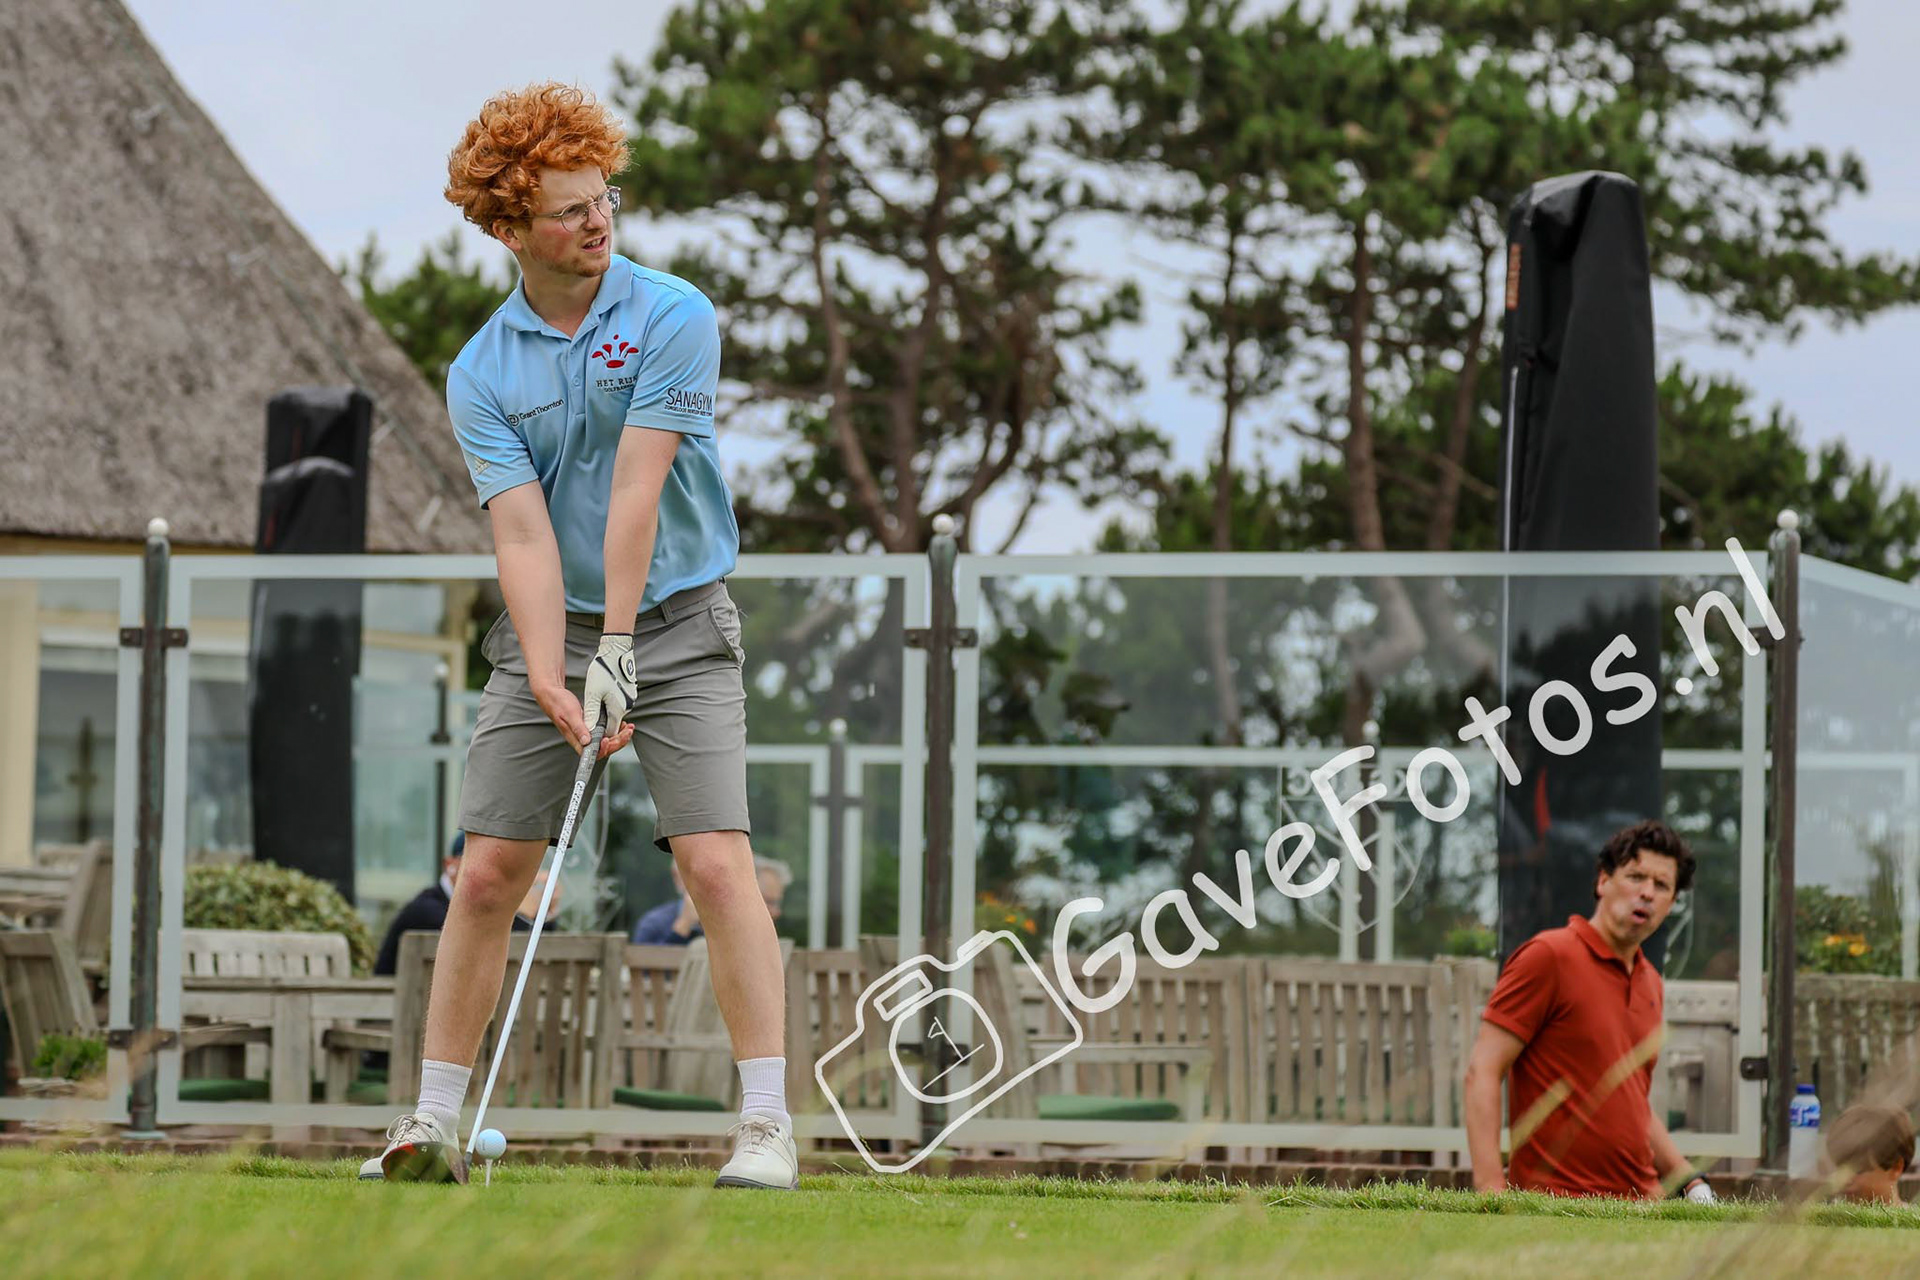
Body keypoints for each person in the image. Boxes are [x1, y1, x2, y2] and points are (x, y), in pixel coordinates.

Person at [365, 83, 792, 1191]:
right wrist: (559, 670)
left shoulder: (672, 313)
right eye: (568, 211)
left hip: (682, 621)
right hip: (550, 633)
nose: (597, 222)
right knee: (489, 871)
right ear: (511, 229)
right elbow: (523, 536)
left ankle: (765, 1125)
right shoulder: (480, 372)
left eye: (603, 198)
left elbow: (637, 494)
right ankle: (431, 1123)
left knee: (713, 860)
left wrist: (617, 646)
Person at [1464, 819, 1715, 1202]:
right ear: (1603, 882)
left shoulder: (1650, 982)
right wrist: (1490, 1190)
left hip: (1643, 1206)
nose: (1646, 893)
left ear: (1671, 904)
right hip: (1557, 1205)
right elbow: (1483, 1070)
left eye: (1661, 885)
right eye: (1635, 877)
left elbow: (1631, 1101)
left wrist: (1689, 1181)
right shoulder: (1549, 956)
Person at [373, 832, 559, 977]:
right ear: (449, 864)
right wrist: (522, 913)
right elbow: (486, 946)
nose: (494, 873)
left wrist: (545, 911)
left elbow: (535, 955)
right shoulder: (426, 909)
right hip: (388, 1016)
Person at [631, 855, 791, 946]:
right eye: (768, 902)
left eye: (776, 903)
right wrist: (682, 928)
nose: (776, 912)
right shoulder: (654, 924)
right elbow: (643, 982)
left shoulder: (747, 937)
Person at [1823, 1103, 1914, 1204]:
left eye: (1857, 1170)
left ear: (1896, 1168)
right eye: (1839, 1168)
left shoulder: (1913, 1220)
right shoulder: (1826, 1216)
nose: (1843, 1179)